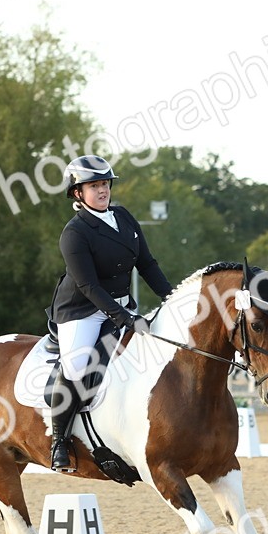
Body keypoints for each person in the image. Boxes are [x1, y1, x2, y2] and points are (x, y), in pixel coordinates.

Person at [46, 154, 174, 473]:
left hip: (120, 304)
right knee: (76, 366)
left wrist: (171, 298)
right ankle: (59, 440)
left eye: (105, 184)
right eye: (94, 186)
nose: (103, 190)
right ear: (78, 193)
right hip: (82, 311)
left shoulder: (124, 217)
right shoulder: (74, 233)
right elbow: (88, 285)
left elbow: (147, 264)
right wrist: (123, 318)